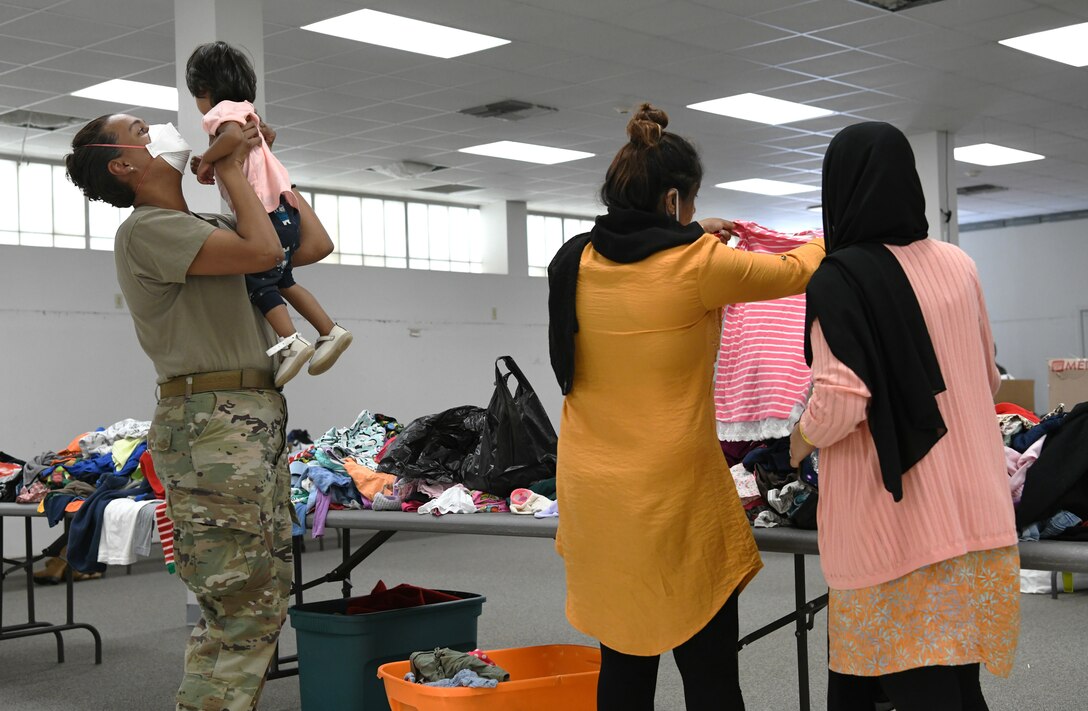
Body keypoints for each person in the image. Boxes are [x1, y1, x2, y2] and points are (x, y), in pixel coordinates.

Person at [547, 103, 825, 711]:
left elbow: (637, 255)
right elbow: (797, 270)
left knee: (623, 660)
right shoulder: (699, 266)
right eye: (692, 203)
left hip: (594, 489)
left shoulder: (574, 260)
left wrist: (693, 233)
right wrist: (830, 233)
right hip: (670, 492)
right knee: (708, 672)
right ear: (674, 200)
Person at [64, 111, 332, 711]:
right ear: (124, 165)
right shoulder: (148, 230)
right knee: (237, 604)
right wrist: (228, 163)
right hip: (213, 423)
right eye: (140, 129)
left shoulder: (205, 226)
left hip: (250, 416)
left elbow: (306, 246)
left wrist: (260, 167)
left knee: (262, 599)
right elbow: (260, 247)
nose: (160, 128)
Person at [787, 122, 1019, 711]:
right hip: (976, 510)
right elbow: (990, 377)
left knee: (920, 692)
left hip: (898, 525)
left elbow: (841, 400)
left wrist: (798, 439)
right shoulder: (958, 265)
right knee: (955, 687)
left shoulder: (840, 278)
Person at [186, 40, 352, 386]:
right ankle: (329, 329)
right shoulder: (249, 111)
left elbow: (230, 139)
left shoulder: (220, 114)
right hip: (287, 211)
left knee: (257, 280)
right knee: (284, 278)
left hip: (265, 215)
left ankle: (290, 341)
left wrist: (207, 161)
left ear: (204, 90)